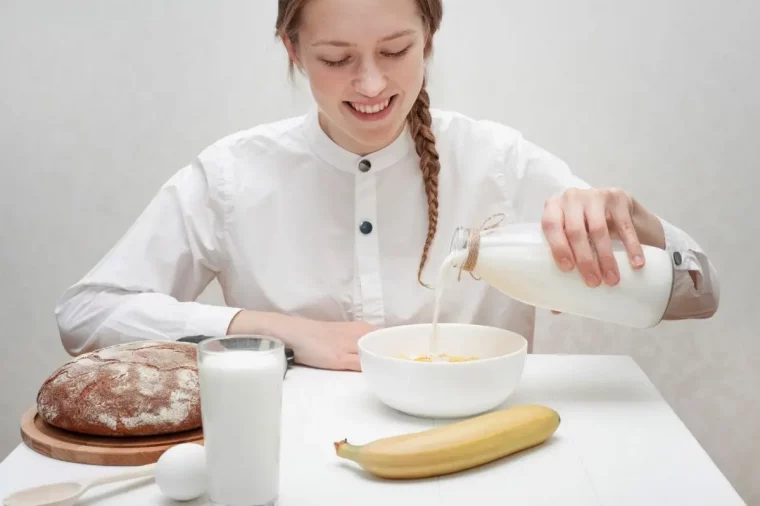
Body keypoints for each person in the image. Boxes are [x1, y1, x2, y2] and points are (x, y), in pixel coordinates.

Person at [54, 0, 719, 370]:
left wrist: (635, 221)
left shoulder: (497, 162)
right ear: (291, 50)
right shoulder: (232, 176)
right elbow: (84, 315)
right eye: (336, 59)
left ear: (429, 35)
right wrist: (271, 329)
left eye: (396, 52)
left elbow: (700, 295)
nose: (371, 86)